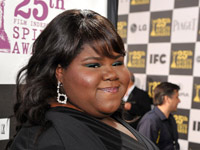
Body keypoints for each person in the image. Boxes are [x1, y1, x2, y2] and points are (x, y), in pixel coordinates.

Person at [6, 9, 159, 150]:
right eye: (93, 65)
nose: (112, 74)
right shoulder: (51, 139)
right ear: (59, 72)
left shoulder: (102, 116)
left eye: (117, 62)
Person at [137, 82, 180, 150]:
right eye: (177, 97)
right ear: (167, 99)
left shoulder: (170, 118)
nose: (179, 101)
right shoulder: (150, 121)